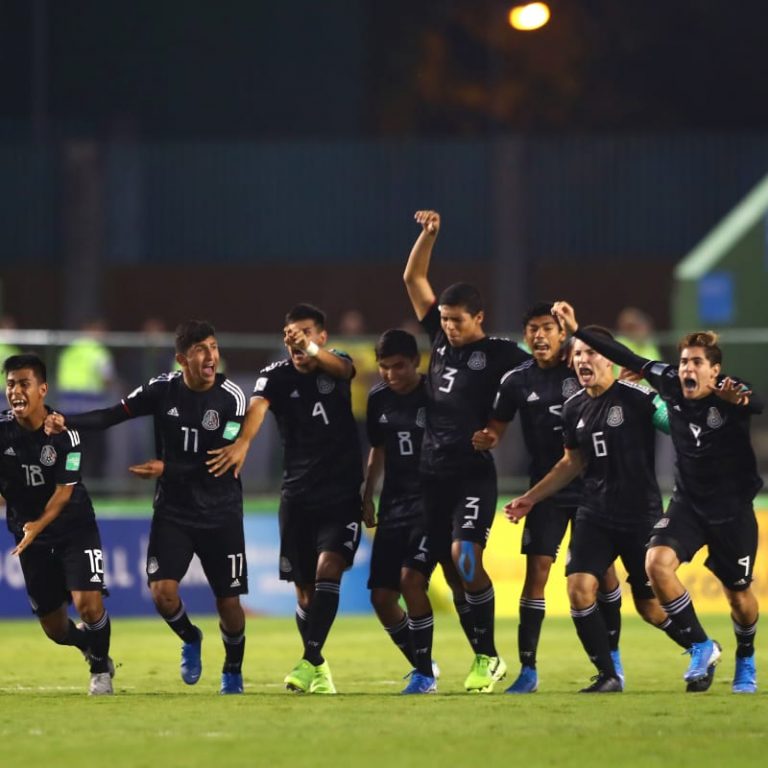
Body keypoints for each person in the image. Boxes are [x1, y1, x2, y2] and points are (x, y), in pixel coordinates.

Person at [554, 300, 762, 694]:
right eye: (684, 361)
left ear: (714, 370)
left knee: (738, 596)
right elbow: (624, 355)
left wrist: (743, 400)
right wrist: (576, 329)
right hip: (687, 504)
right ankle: (700, 647)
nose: (688, 368)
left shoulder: (731, 394)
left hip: (732, 510)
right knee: (657, 564)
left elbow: (760, 402)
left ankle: (746, 657)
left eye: (697, 362)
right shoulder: (667, 382)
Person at [46, 320, 248, 694]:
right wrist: (64, 421)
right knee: (162, 593)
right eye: (201, 350)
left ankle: (232, 669)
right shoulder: (162, 389)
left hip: (221, 510)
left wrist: (165, 468)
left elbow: (219, 466)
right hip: (174, 510)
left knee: (229, 602)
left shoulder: (232, 397)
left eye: (214, 347)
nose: (211, 357)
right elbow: (111, 415)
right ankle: (190, 636)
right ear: (181, 359)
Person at [505, 326, 694, 692]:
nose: (582, 361)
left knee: (649, 607)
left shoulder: (637, 397)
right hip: (595, 512)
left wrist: (668, 396)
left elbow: (677, 427)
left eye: (591, 354)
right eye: (577, 355)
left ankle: (700, 646)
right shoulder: (574, 406)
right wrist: (532, 498)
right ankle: (608, 674)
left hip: (639, 514)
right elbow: (570, 463)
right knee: (578, 587)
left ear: (610, 359)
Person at [403, 210, 529, 693]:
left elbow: (540, 371)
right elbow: (413, 276)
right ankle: (425, 670)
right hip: (430, 476)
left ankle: (488, 658)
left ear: (479, 317)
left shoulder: (501, 353)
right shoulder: (437, 338)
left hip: (473, 474)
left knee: (467, 559)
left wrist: (497, 430)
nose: (448, 327)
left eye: (457, 320)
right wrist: (429, 235)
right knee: (415, 578)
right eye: (444, 319)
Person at [207, 303, 363, 695]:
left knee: (330, 569)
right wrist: (243, 443)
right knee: (305, 590)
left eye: (306, 332)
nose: (296, 339)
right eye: (290, 333)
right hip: (297, 496)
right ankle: (318, 666)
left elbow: (343, 370)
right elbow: (257, 408)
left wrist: (310, 350)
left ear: (322, 337)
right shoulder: (274, 375)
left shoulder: (339, 363)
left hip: (342, 493)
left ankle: (308, 659)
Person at [474, 302, 621, 694]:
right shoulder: (516, 381)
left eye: (547, 328)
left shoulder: (581, 368)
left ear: (562, 334)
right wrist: (488, 438)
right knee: (536, 572)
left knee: (604, 574)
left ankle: (613, 658)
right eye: (532, 329)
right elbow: (497, 427)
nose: (539, 336)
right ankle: (529, 669)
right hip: (547, 489)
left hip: (594, 487)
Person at [362, 329, 476, 694]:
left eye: (398, 367)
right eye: (384, 367)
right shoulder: (378, 400)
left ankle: (430, 673)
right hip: (394, 506)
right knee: (381, 597)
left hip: (433, 505)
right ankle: (422, 661)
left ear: (416, 362)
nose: (391, 375)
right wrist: (368, 494)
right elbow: (378, 450)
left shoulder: (436, 396)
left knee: (413, 580)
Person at [1, 353, 114, 695]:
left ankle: (100, 669)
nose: (15, 392)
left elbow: (64, 492)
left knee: (88, 603)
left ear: (43, 389)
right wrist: (30, 528)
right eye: (10, 385)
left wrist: (37, 524)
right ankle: (86, 644)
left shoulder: (66, 434)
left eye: (24, 384)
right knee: (54, 628)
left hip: (74, 528)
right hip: (30, 537)